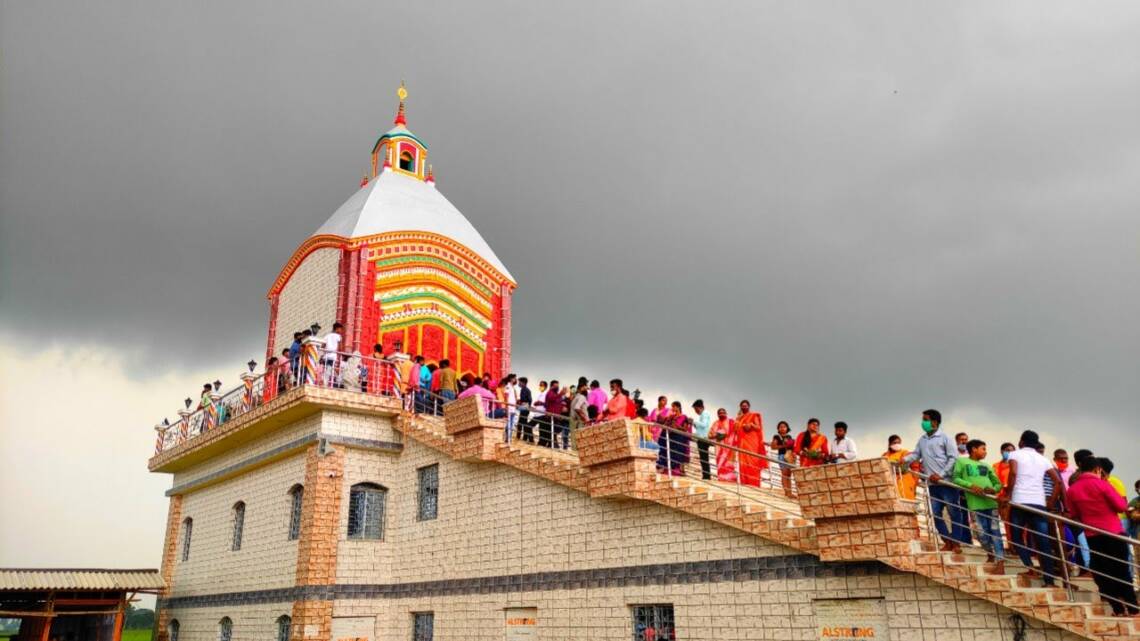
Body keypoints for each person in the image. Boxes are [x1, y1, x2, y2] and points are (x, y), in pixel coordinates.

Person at [1066, 456, 1139, 616]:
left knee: (1102, 573)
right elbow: (1121, 506)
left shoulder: (1072, 490)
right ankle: (1133, 609)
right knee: (1121, 571)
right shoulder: (1103, 485)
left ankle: (1118, 609)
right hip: (1114, 534)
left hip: (1092, 536)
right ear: (1097, 469)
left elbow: (1074, 514)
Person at [903, 409, 969, 552]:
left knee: (954, 513)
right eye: (923, 420)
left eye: (925, 419)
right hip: (932, 484)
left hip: (947, 483)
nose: (923, 423)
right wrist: (903, 460)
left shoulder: (946, 438)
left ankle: (956, 542)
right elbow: (916, 454)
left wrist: (941, 474)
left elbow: (953, 458)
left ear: (934, 422)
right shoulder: (922, 439)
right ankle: (947, 540)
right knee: (935, 513)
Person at [1005, 429, 1065, 586]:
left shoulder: (1015, 454)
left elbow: (1013, 473)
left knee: (1017, 538)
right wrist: (1051, 502)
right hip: (1039, 504)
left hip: (1019, 501)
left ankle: (1029, 567)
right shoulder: (1043, 459)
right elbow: (1058, 482)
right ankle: (1049, 581)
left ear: (1022, 442)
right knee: (1043, 543)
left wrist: (1008, 494)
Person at [952, 439, 1005, 573]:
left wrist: (993, 489)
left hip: (991, 503)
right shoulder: (962, 462)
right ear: (974, 449)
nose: (985, 452)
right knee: (981, 534)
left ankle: (1000, 562)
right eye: (983, 449)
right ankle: (990, 553)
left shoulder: (987, 466)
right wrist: (971, 486)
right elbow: (956, 478)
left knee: (995, 532)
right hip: (975, 504)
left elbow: (998, 484)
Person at [734, 400, 767, 487]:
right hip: (742, 443)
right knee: (743, 463)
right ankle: (745, 483)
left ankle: (754, 483)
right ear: (740, 407)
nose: (744, 407)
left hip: (752, 442)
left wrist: (751, 425)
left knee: (753, 462)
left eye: (746, 405)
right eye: (742, 406)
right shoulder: (739, 418)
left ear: (749, 406)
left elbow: (758, 427)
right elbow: (735, 430)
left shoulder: (753, 415)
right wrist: (738, 420)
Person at [656, 401, 691, 476]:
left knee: (677, 454)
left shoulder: (684, 417)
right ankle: (667, 469)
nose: (672, 408)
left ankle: (676, 471)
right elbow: (665, 423)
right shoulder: (672, 416)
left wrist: (676, 426)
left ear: (678, 407)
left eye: (674, 406)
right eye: (672, 406)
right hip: (671, 438)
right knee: (669, 452)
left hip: (679, 438)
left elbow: (685, 429)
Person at [883, 435, 918, 500]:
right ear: (890, 444)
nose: (897, 445)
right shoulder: (885, 455)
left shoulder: (905, 453)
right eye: (894, 443)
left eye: (899, 443)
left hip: (905, 481)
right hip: (891, 482)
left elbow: (914, 467)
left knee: (906, 499)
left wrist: (915, 482)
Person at [710, 408, 737, 481]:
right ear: (718, 414)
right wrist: (717, 435)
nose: (722, 414)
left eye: (723, 412)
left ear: (726, 413)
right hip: (719, 448)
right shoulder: (715, 423)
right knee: (720, 463)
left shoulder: (731, 422)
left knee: (729, 463)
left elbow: (737, 430)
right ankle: (721, 478)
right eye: (720, 413)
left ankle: (730, 478)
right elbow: (709, 435)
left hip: (729, 448)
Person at [770, 421, 796, 497]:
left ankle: (790, 492)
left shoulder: (789, 437)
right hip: (782, 456)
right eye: (781, 427)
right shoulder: (776, 436)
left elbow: (792, 447)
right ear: (778, 428)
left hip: (789, 455)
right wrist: (783, 446)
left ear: (787, 428)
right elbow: (773, 447)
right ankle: (786, 492)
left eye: (784, 426)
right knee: (784, 474)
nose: (782, 428)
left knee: (789, 474)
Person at [691, 400, 713, 480]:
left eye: (695, 409)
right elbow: (701, 427)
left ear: (699, 407)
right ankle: (705, 475)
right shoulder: (702, 415)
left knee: (704, 458)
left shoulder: (705, 413)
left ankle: (706, 476)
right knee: (703, 458)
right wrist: (694, 424)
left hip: (703, 439)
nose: (695, 411)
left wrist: (694, 422)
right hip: (701, 438)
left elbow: (703, 425)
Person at [545, 380, 567, 449]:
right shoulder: (550, 393)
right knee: (553, 430)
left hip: (556, 416)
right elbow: (552, 399)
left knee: (555, 430)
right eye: (555, 386)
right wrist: (560, 394)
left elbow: (558, 402)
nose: (557, 387)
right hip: (551, 416)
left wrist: (563, 404)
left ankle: (552, 445)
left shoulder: (557, 394)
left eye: (558, 386)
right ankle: (553, 445)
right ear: (551, 386)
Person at [320, 323, 344, 387]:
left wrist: (322, 354)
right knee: (331, 370)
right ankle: (326, 383)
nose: (341, 331)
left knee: (328, 370)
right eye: (341, 329)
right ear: (337, 328)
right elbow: (340, 348)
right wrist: (340, 355)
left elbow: (322, 346)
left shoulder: (327, 335)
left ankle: (326, 382)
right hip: (333, 356)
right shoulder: (338, 336)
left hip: (326, 356)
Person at [570, 383, 590, 448]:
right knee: (582, 439)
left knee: (576, 440)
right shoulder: (582, 397)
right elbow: (577, 408)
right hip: (581, 421)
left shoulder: (575, 398)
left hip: (575, 421)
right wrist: (584, 417)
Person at [517, 377, 534, 442]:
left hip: (525, 408)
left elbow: (529, 400)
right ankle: (525, 437)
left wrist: (521, 402)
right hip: (524, 408)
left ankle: (524, 438)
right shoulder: (523, 389)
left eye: (520, 382)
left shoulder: (526, 390)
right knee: (522, 423)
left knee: (522, 423)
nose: (519, 383)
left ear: (523, 383)